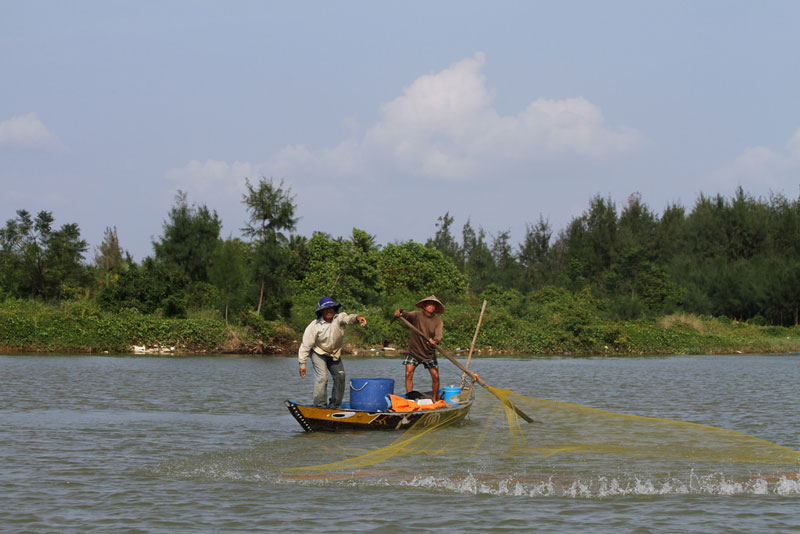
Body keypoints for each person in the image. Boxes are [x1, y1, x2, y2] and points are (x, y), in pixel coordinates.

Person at [298, 296, 367, 408]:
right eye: (326, 309)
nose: (329, 311)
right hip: (318, 353)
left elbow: (349, 318)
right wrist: (302, 364)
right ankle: (320, 406)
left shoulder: (339, 318)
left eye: (331, 308)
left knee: (340, 376)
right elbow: (305, 345)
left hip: (334, 354)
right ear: (321, 311)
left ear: (334, 309)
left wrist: (358, 318)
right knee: (323, 377)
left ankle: (334, 406)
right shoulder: (314, 326)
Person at [393, 295, 444, 402]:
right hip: (414, 351)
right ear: (424, 306)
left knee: (435, 376)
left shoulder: (438, 321)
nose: (431, 306)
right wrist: (400, 313)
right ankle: (409, 399)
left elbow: (438, 335)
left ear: (435, 308)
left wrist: (434, 341)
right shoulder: (417, 315)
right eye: (429, 304)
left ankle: (434, 398)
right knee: (408, 373)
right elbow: (407, 314)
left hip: (428, 352)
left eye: (433, 305)